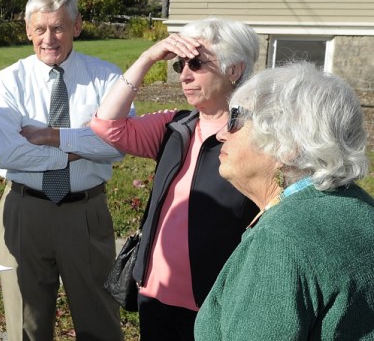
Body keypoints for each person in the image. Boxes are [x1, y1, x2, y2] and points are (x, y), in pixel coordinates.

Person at [89, 17, 261, 340]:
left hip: (214, 303)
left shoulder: (257, 137)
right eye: (180, 64)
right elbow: (106, 125)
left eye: (196, 63)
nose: (184, 75)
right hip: (154, 293)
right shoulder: (176, 126)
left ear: (234, 70)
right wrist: (148, 57)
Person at [0, 0, 134, 341]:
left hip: (84, 214)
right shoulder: (9, 81)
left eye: (58, 28)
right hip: (25, 211)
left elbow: (118, 143)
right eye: (40, 29)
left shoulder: (107, 78)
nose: (49, 38)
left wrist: (54, 137)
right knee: (27, 323)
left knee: (99, 319)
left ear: (77, 26)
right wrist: (83, 143)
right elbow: (10, 154)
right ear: (27, 30)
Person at [194, 61, 374, 340]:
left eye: (235, 119)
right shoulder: (360, 207)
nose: (221, 133)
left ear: (288, 144)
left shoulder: (281, 239)